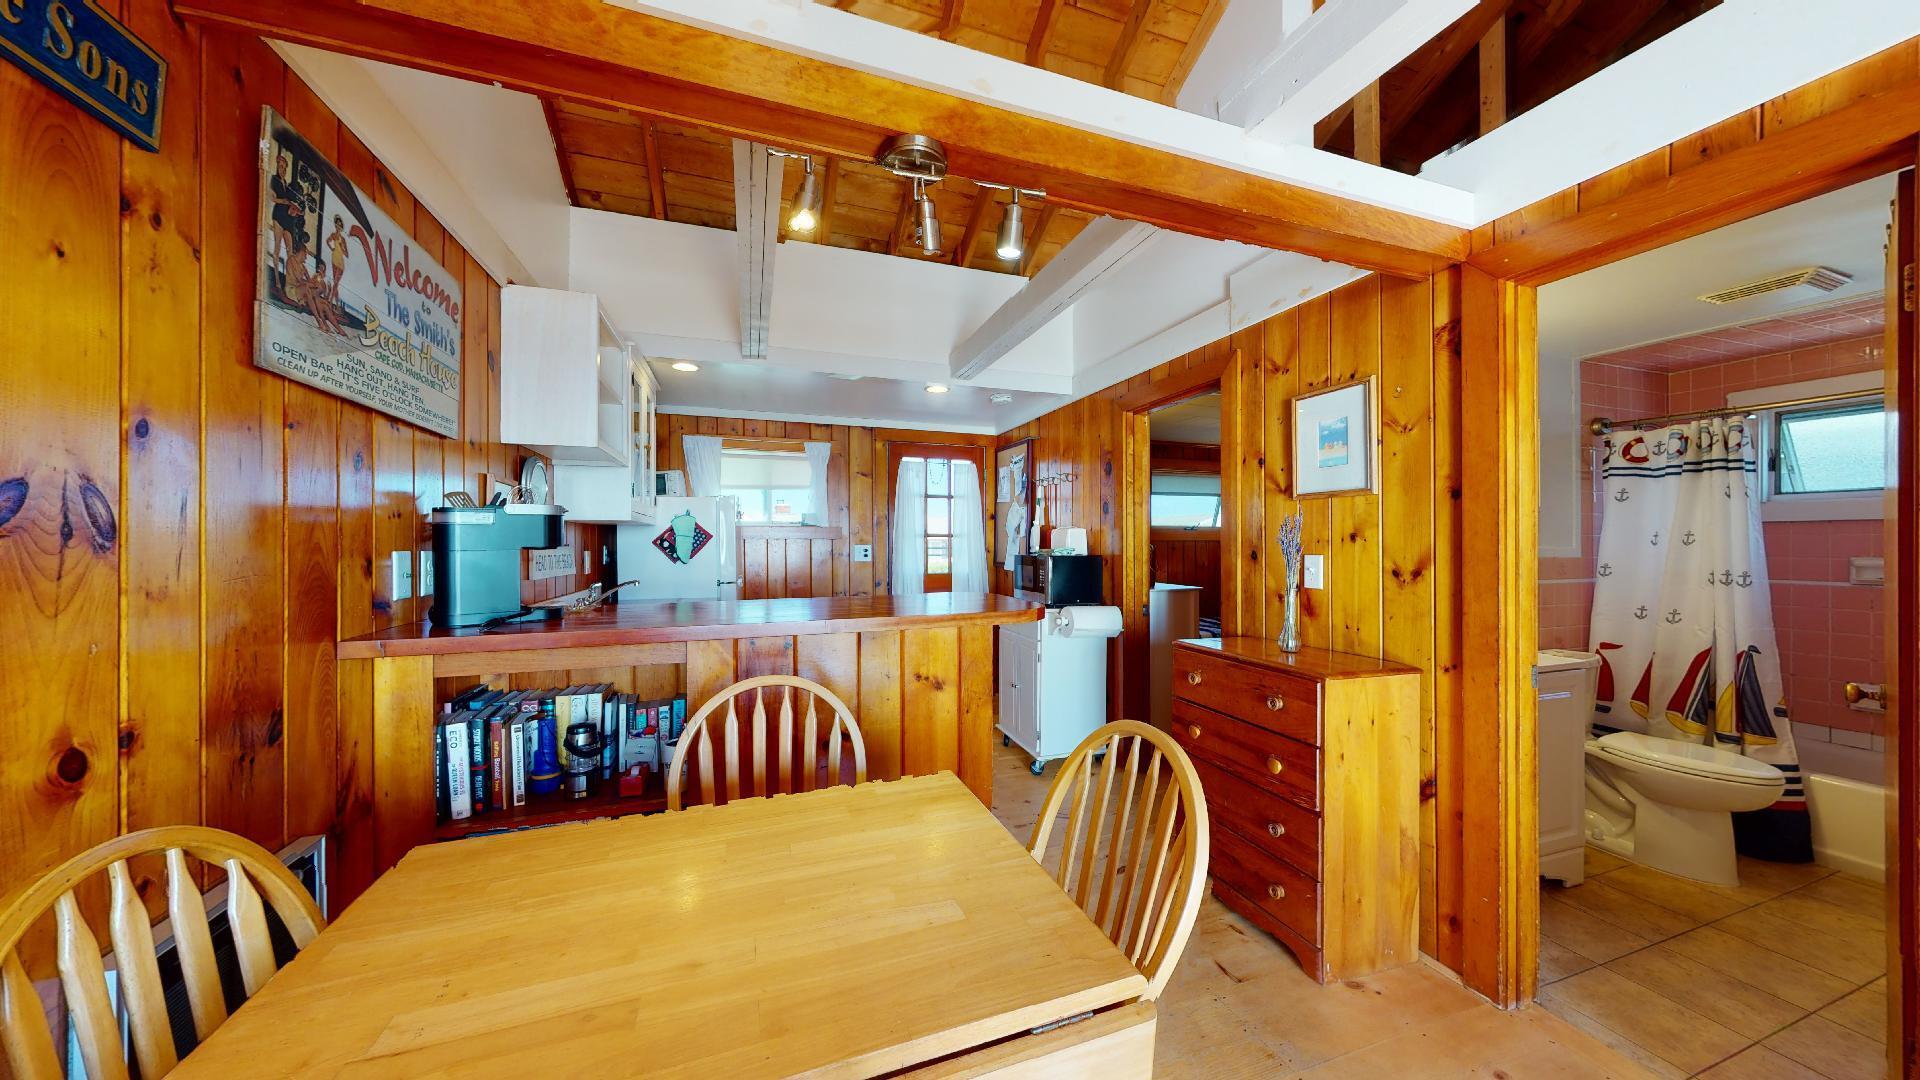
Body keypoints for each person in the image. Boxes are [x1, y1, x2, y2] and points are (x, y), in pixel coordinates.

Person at [268, 152, 304, 284]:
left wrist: (295, 209)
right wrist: (285, 201)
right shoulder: (274, 179)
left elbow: (292, 203)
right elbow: (272, 198)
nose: (281, 170)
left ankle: (290, 281)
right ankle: (277, 280)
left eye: (283, 167)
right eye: (280, 167)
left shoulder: (288, 186)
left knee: (290, 250)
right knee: (277, 245)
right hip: (278, 215)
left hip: (287, 217)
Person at [325, 214, 350, 295]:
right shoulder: (333, 235)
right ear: (335, 225)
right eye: (337, 224)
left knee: (336, 283)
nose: (338, 226)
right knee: (335, 282)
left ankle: (331, 301)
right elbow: (327, 241)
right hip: (334, 258)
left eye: (340, 225)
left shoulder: (343, 239)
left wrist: (342, 247)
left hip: (340, 261)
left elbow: (347, 254)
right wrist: (331, 248)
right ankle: (336, 303)